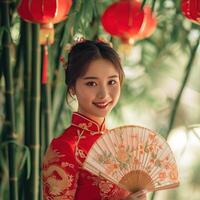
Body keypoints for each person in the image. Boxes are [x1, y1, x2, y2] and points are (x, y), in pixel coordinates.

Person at [42, 40, 147, 200]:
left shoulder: (118, 144)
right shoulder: (65, 147)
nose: (104, 94)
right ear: (72, 88)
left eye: (112, 82)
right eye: (91, 83)